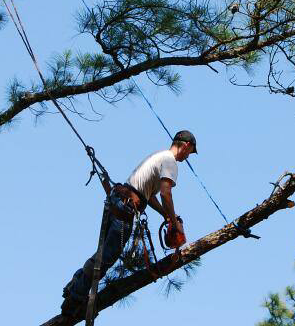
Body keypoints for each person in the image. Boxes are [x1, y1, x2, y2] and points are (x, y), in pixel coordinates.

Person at [61, 130, 196, 314]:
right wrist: (174, 222)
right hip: (125, 208)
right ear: (186, 145)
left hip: (118, 200)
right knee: (106, 258)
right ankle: (75, 300)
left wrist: (165, 215)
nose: (188, 157)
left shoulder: (158, 156)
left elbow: (150, 196)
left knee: (102, 255)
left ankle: (76, 283)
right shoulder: (170, 162)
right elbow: (166, 193)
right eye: (190, 152)